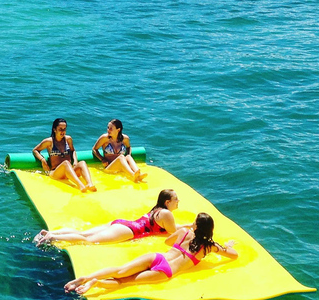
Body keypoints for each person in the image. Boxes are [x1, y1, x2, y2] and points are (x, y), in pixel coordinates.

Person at [64, 213, 238, 295]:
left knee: (120, 270)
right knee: (124, 282)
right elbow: (234, 255)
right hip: (166, 271)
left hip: (158, 257)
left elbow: (168, 242)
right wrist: (226, 246)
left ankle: (85, 278)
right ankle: (96, 284)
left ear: (196, 226)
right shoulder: (209, 247)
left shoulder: (184, 231)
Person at [34, 189, 182, 246]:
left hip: (123, 224)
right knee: (88, 240)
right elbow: (172, 232)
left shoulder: (157, 210)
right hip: (129, 231)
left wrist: (186, 226)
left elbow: (171, 228)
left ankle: (51, 233)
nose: (178, 202)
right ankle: (52, 238)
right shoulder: (167, 214)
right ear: (167, 202)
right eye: (176, 199)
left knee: (84, 233)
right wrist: (188, 229)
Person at [33, 118, 96, 193]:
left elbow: (73, 151)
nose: (63, 132)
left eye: (64, 129)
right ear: (54, 129)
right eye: (60, 129)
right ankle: (81, 186)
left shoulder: (68, 139)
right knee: (66, 163)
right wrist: (42, 160)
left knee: (82, 163)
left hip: (69, 171)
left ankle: (89, 184)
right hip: (55, 173)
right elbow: (35, 150)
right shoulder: (49, 142)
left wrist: (75, 161)